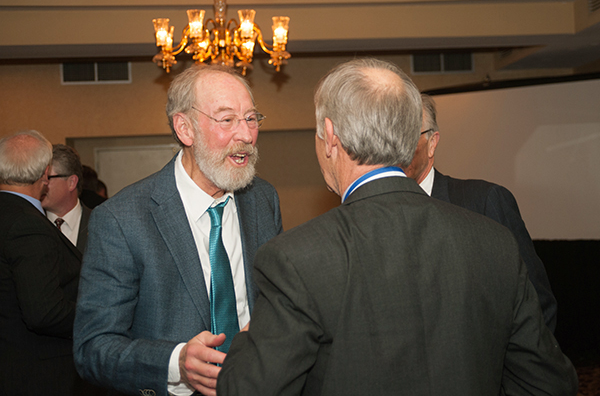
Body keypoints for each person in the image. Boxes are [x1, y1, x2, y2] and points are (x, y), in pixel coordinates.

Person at [217, 58, 578, 395]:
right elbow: (550, 384)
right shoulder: (494, 242)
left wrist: (249, 338)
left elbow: (245, 389)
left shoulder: (297, 259)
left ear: (331, 137)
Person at [73, 64, 283, 396]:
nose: (246, 135)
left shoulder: (263, 199)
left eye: (251, 118)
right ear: (185, 129)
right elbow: (93, 348)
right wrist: (176, 362)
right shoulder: (122, 219)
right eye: (227, 120)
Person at [402, 93, 557, 332]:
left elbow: (535, 302)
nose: (398, 149)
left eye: (408, 136)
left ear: (432, 143)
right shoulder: (372, 216)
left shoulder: (483, 202)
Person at [0, 130, 84, 395]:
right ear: (45, 173)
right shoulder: (28, 225)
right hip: (35, 374)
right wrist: (100, 317)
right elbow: (44, 313)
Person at [42, 144, 92, 254]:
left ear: (71, 182)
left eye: (47, 178)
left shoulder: (97, 223)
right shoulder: (30, 224)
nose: (41, 184)